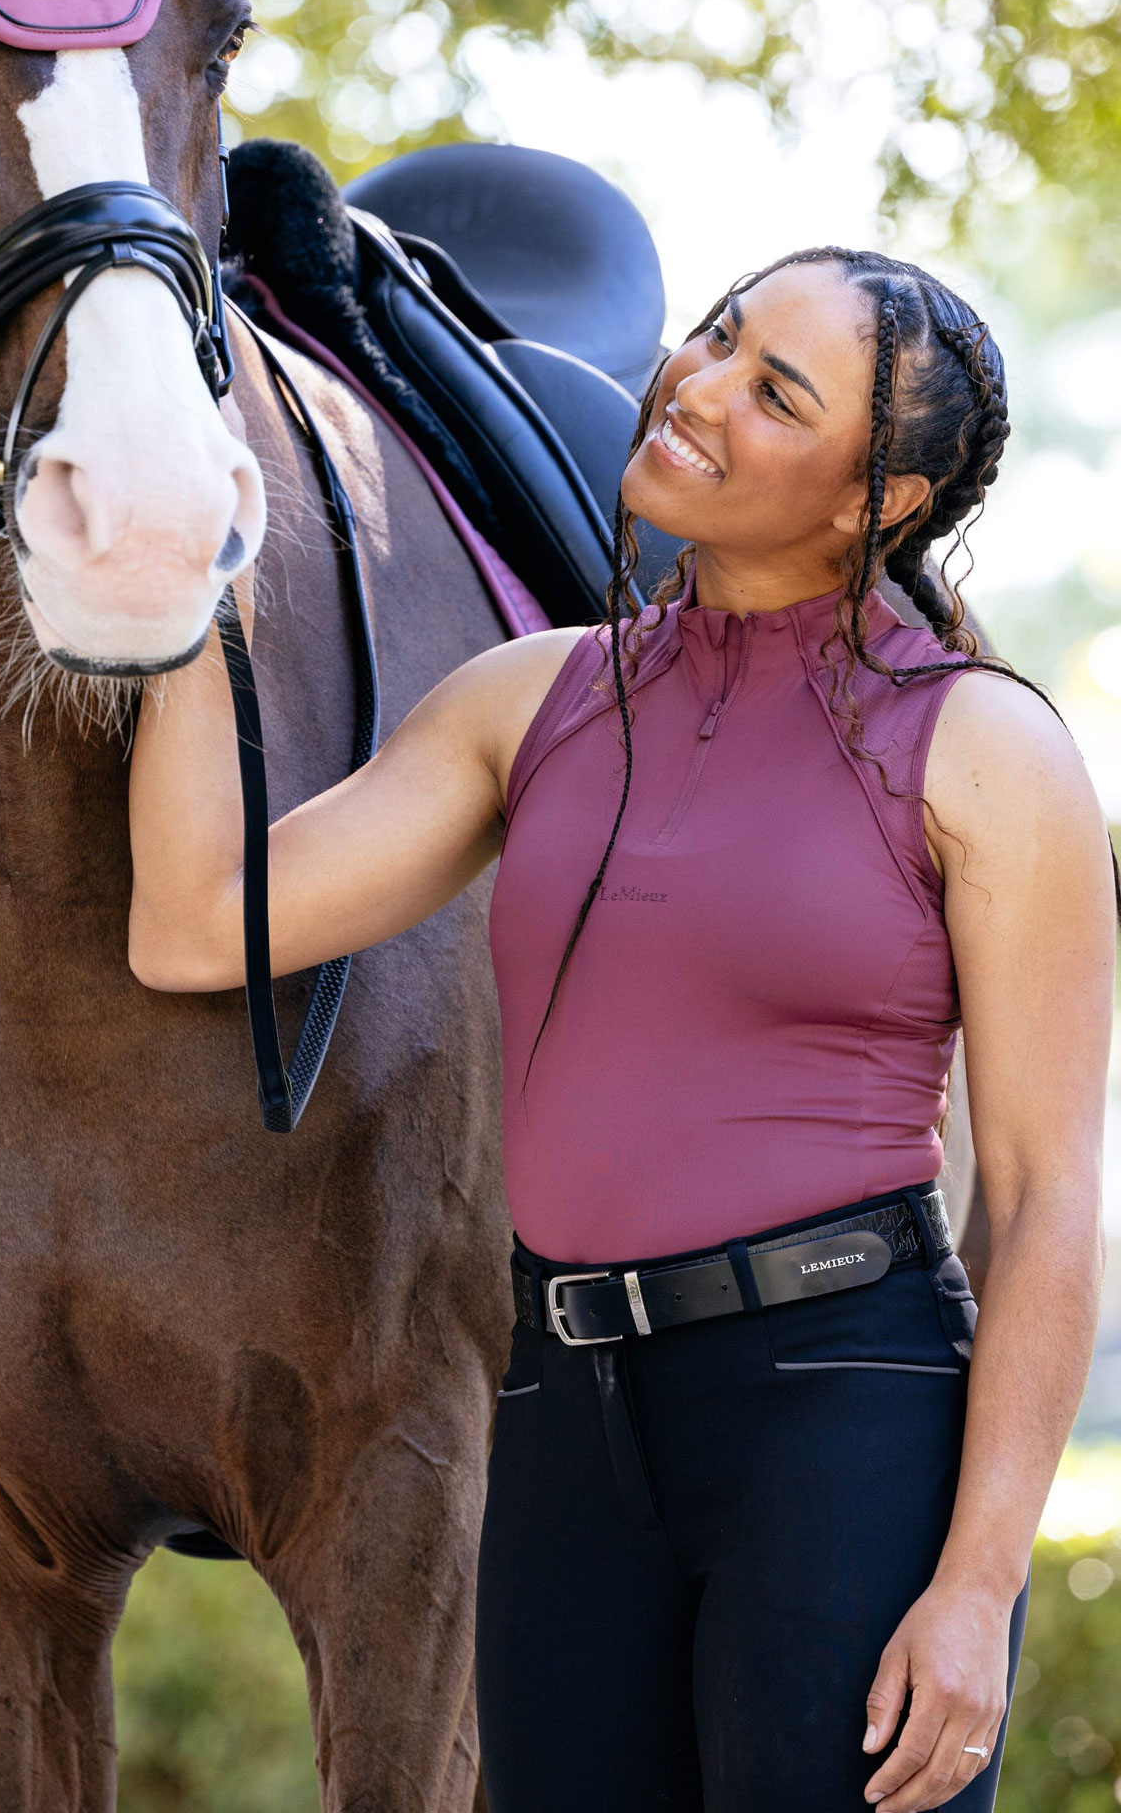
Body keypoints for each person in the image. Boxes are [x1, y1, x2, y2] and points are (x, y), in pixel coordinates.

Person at [126, 246, 1114, 1812]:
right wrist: (177, 589)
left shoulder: (982, 745)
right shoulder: (532, 701)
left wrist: (981, 1585)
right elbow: (193, 925)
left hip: (840, 1405)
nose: (700, 388)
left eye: (775, 392)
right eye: (717, 337)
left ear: (880, 503)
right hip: (563, 1416)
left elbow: (1052, 1194)